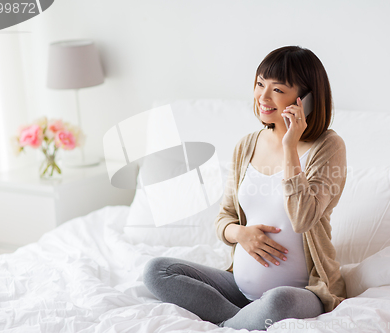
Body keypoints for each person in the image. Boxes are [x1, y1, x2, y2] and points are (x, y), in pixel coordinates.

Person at [143, 45, 347, 331]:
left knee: (278, 303)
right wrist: (241, 234)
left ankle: (228, 322)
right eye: (260, 84)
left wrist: (290, 146)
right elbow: (224, 217)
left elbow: (303, 218)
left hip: (302, 293)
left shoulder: (328, 146)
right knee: (157, 271)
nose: (263, 97)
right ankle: (237, 320)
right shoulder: (247, 145)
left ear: (305, 99)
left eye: (277, 89)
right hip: (239, 289)